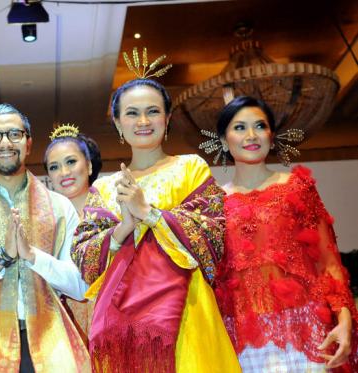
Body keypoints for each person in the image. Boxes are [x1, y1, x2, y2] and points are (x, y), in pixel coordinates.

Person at [71, 76, 240, 372]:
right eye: (132, 113)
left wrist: (149, 212)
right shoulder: (105, 188)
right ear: (118, 124)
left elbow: (211, 236)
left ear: (168, 118)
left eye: (152, 111)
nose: (143, 121)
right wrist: (125, 226)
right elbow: (85, 258)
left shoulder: (190, 168)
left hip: (188, 310)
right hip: (123, 322)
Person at [205, 96, 358, 372]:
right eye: (239, 127)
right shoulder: (212, 203)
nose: (251, 135)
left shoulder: (298, 188)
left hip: (306, 327)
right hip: (240, 336)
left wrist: (344, 318)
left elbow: (329, 263)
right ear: (223, 140)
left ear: (271, 136)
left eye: (259, 126)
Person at [0, 103, 90, 372]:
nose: (5, 143)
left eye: (14, 134)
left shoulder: (59, 207)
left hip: (52, 343)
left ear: (28, 142)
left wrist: (34, 257)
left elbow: (80, 286)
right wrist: (2, 258)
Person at [43, 124, 102, 342]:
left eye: (71, 162)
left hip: (112, 313)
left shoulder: (113, 209)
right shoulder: (46, 222)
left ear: (88, 166)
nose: (64, 173)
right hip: (64, 323)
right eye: (54, 167)